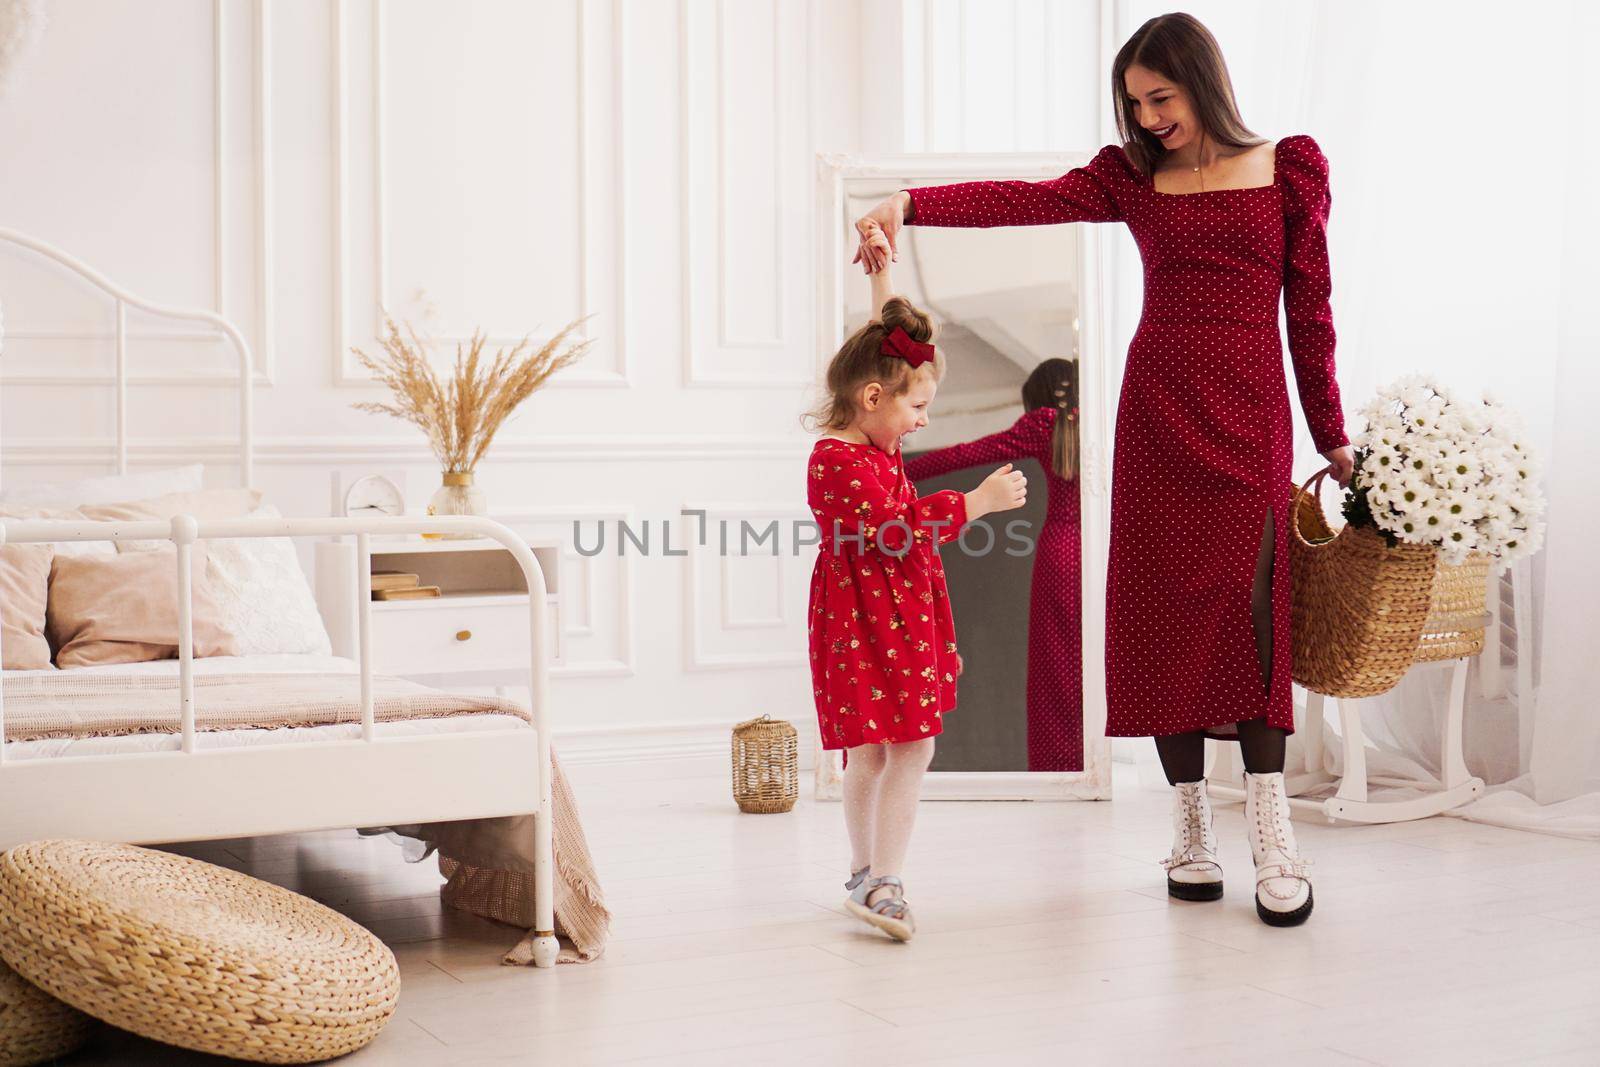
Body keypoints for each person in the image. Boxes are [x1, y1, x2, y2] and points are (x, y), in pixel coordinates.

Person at [852, 12, 1354, 927]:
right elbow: (1026, 199)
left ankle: (1274, 833)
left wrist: (1332, 436)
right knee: (1164, 610)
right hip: (1158, 407)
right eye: (1135, 104)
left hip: (1250, 416)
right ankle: (1192, 827)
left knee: (1251, 612)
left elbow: (1310, 314)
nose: (1150, 117)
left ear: (1203, 80)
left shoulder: (1290, 168)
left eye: (1161, 97)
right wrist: (912, 205)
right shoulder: (1132, 177)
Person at [805, 220, 1028, 941]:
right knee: (889, 747)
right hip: (865, 616)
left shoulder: (876, 429)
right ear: (872, 398)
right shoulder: (836, 461)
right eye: (917, 407)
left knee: (892, 745)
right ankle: (879, 876)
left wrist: (881, 277)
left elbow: (885, 339)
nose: (922, 420)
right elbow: (898, 529)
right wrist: (976, 502)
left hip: (898, 607)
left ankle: (870, 874)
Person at [903, 359, 1085, 772]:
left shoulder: (1044, 424)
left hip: (1062, 550)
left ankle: (1058, 767)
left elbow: (967, 454)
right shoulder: (1102, 419)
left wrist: (899, 471)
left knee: (1055, 668)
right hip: (1102, 551)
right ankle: (1094, 761)